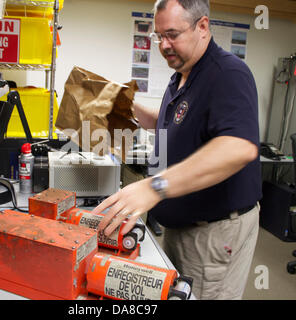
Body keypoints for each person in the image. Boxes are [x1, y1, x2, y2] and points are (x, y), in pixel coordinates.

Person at [92, 0, 262, 300]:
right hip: (181, 224)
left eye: (172, 34)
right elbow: (174, 122)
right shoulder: (181, 75)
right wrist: (127, 109)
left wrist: (155, 187)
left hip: (213, 231)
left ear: (203, 26)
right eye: (159, 36)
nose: (164, 45)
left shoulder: (227, 73)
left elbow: (239, 147)